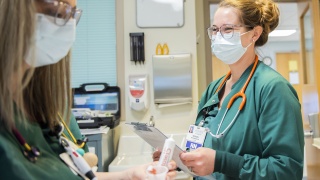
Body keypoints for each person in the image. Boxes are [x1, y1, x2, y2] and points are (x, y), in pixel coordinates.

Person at [0, 0, 176, 179]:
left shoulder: (41, 105)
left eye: (73, 15)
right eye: (60, 11)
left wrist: (130, 175)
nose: (67, 25)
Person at [155, 0, 304, 179]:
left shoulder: (273, 89)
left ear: (254, 34)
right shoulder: (213, 89)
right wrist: (178, 159)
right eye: (215, 30)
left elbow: (287, 170)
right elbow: (203, 145)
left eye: (228, 30)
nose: (218, 37)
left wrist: (222, 162)